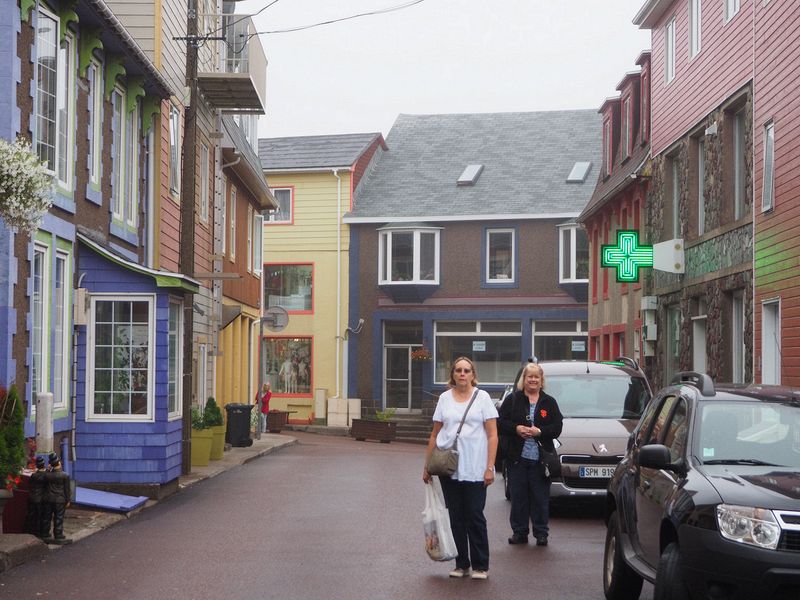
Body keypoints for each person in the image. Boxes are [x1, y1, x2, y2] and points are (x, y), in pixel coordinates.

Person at [423, 357, 498, 580]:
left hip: (475, 468)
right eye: (458, 370)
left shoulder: (483, 398)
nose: (462, 374)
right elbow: (435, 434)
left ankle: (481, 565)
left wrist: (490, 467)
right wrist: (427, 465)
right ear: (453, 374)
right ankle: (461, 563)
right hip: (449, 468)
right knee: (456, 516)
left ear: (473, 374)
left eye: (466, 370)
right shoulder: (444, 399)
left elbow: (493, 435)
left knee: (475, 515)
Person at [498, 362, 563, 547]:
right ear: (523, 379)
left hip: (540, 460)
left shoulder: (549, 402)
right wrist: (516, 428)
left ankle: (541, 533)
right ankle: (519, 532)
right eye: (529, 377)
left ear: (541, 380)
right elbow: (500, 423)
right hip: (517, 458)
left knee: (540, 498)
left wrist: (540, 432)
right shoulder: (512, 399)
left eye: (536, 377)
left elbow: (557, 427)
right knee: (518, 498)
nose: (533, 380)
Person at [43, 453, 72, 544]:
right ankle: (58, 534)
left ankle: (45, 533)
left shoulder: (47, 475)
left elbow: (44, 478)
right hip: (60, 499)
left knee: (47, 517)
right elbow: (67, 490)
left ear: (51, 464)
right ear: (59, 463)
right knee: (58, 517)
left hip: (48, 498)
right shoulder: (65, 475)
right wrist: (68, 500)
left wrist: (48, 469)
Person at [25, 456, 47, 539]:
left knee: (31, 515)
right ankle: (39, 532)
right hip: (41, 498)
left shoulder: (34, 475)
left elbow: (30, 484)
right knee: (40, 516)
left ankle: (29, 531)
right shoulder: (46, 475)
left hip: (32, 497)